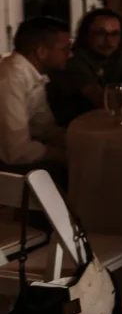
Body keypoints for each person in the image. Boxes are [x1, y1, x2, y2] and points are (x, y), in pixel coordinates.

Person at [0, 17, 72, 187]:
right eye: (65, 49)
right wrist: (63, 156)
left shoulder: (33, 75)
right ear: (42, 52)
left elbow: (44, 127)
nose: (70, 55)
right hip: (4, 169)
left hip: (12, 158)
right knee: (65, 174)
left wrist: (78, 144)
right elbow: (16, 152)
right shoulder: (10, 79)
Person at [48, 8, 122, 126]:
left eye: (114, 34)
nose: (108, 41)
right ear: (86, 35)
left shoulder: (119, 57)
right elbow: (103, 101)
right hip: (75, 130)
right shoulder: (74, 60)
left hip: (105, 125)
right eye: (100, 33)